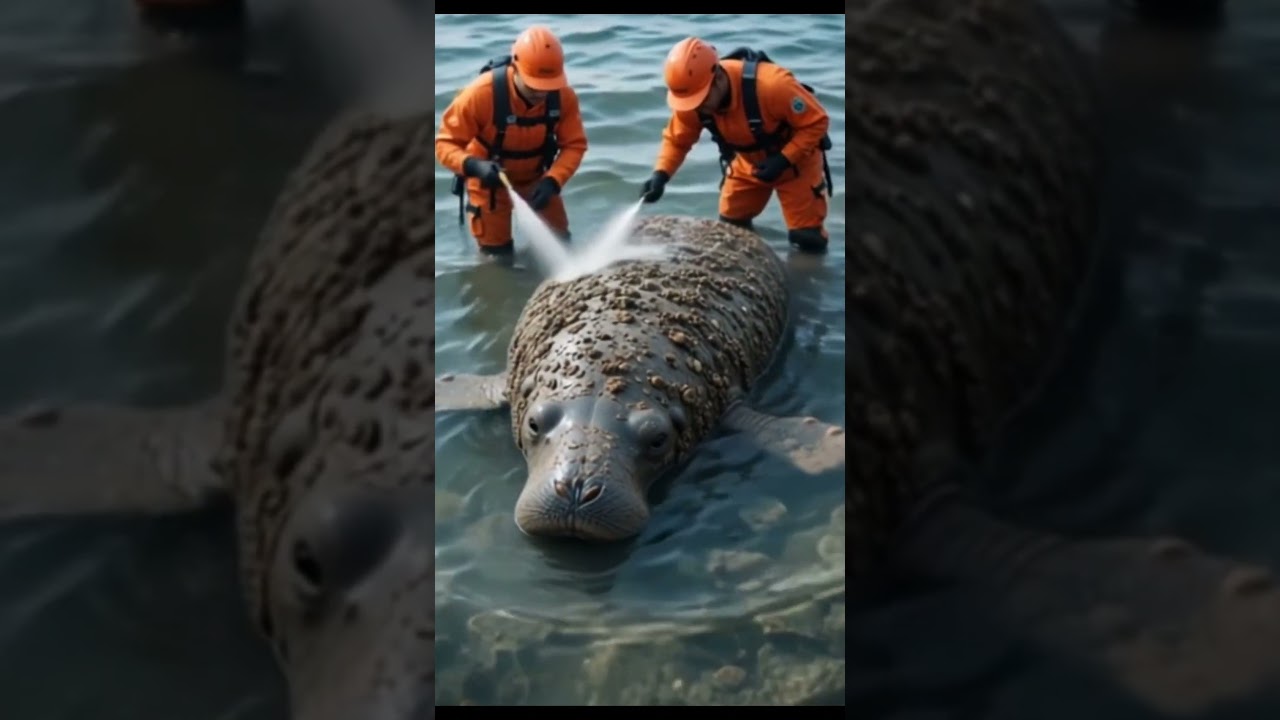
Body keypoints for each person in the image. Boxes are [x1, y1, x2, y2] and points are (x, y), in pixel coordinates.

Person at [639, 37, 833, 254]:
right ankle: (756, 261)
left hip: (797, 164)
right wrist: (661, 175)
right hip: (747, 162)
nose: (698, 108)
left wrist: (783, 159)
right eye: (692, 102)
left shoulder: (773, 85)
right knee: (730, 227)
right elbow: (677, 139)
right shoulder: (692, 101)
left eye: (701, 100)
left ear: (718, 78)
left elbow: (817, 122)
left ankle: (815, 280)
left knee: (807, 239)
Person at [435, 25, 588, 257]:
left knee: (561, 244)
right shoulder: (480, 94)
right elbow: (443, 144)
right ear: (515, 68)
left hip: (538, 180)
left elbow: (574, 145)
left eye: (548, 86)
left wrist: (554, 181)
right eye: (534, 85)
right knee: (498, 259)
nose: (541, 93)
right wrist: (474, 166)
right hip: (489, 184)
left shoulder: (563, 96)